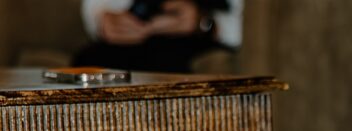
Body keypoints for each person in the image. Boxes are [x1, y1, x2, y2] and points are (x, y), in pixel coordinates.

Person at [75, 0, 244, 73]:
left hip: (196, 42)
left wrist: (201, 22)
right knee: (88, 63)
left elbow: (252, 26)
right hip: (130, 42)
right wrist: (103, 20)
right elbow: (97, 8)